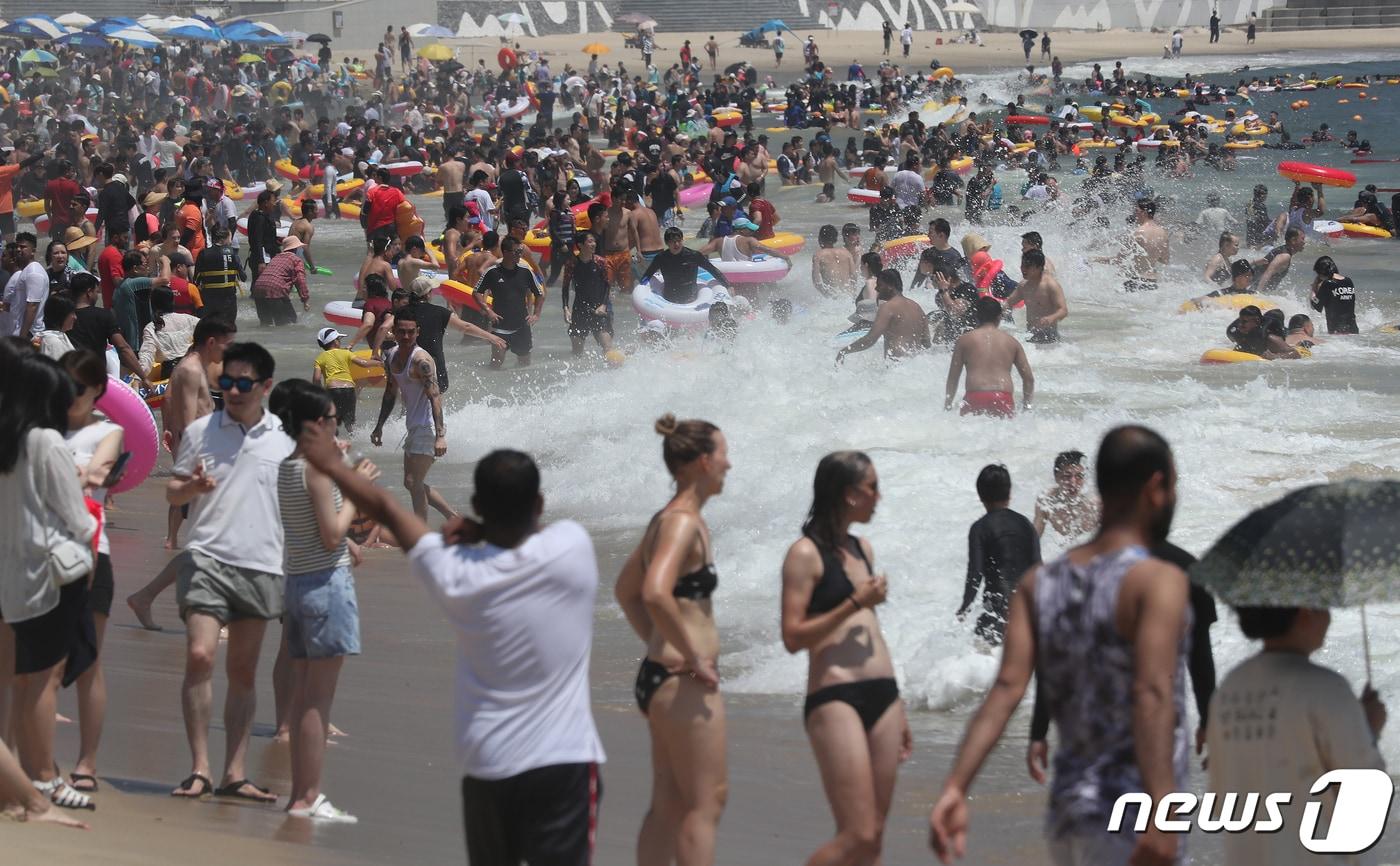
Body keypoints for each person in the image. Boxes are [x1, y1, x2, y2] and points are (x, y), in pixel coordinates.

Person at [295, 428, 606, 864]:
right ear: (537, 504)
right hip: (564, 761)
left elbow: (385, 506)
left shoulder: (455, 574)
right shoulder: (573, 549)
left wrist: (329, 465)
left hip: (487, 762)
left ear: (478, 505)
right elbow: (536, 534)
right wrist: (480, 529)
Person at [930, 426, 1191, 866]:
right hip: (1136, 802)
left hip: (1070, 806)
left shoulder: (1041, 583)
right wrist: (1162, 812)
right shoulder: (1156, 581)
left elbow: (1007, 688)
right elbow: (1152, 693)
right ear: (1155, 487)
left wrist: (956, 786)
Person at [167, 341, 293, 803]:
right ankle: (199, 768)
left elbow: (297, 503)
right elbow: (173, 494)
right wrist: (192, 486)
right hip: (206, 558)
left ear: (265, 387)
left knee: (243, 671)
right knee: (201, 655)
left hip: (261, 565)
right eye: (226, 382)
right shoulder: (201, 431)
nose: (233, 391)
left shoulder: (284, 440)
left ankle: (234, 773)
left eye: (243, 384)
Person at [780, 451, 912, 866]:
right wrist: (855, 601)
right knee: (857, 834)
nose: (879, 496)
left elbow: (871, 627)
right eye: (872, 487)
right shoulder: (804, 554)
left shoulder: (862, 548)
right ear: (848, 494)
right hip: (835, 696)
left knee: (873, 842)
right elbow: (793, 636)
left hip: (884, 695)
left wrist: (899, 703)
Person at [615, 414, 730, 866]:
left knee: (669, 804)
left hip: (660, 676)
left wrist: (658, 645)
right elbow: (653, 592)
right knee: (707, 802)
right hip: (683, 681)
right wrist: (693, 655)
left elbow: (625, 591)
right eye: (723, 454)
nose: (729, 464)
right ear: (702, 462)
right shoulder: (682, 523)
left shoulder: (668, 519)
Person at [270, 379, 381, 824]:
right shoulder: (315, 471)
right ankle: (307, 797)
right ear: (316, 423)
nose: (338, 425)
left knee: (304, 699)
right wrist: (356, 492)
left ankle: (301, 794)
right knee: (317, 701)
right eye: (333, 419)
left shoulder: (288, 466)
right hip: (324, 583)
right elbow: (333, 533)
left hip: (298, 580)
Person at [1208, 604, 1386, 866]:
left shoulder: (1230, 689)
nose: (1329, 616)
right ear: (1305, 613)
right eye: (1324, 606)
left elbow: (1222, 792)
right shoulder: (1325, 688)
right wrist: (1369, 729)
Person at [0, 352, 99, 811]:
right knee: (42, 680)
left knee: (22, 679)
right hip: (55, 572)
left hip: (13, 573)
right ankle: (43, 777)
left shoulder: (9, 440)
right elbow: (77, 519)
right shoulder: (47, 442)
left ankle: (21, 775)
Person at [60, 350, 123, 795]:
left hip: (90, 555)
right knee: (34, 666)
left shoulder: (108, 431)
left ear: (98, 388)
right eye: (63, 385)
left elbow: (99, 472)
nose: (70, 395)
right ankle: (29, 760)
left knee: (88, 664)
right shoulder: (39, 428)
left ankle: (87, 762)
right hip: (38, 553)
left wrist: (73, 474)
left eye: (78, 387)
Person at [371, 307, 454, 521]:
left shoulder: (422, 361)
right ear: (394, 333)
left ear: (418, 332)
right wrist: (379, 426)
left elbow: (435, 396)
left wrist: (440, 435)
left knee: (413, 482)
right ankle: (452, 518)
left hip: (427, 427)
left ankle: (420, 535)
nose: (406, 336)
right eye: (402, 331)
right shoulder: (391, 356)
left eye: (411, 332)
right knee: (410, 482)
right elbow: (390, 392)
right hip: (413, 426)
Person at [958, 464, 1041, 645]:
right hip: (1027, 607)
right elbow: (1038, 568)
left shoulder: (980, 528)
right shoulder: (1026, 524)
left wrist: (965, 605)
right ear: (1009, 493)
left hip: (997, 609)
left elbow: (976, 573)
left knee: (984, 656)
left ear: (980, 495)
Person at [945, 297, 1035, 418]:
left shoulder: (964, 340)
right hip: (1003, 397)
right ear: (999, 317)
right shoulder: (1012, 342)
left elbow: (953, 377)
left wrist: (948, 405)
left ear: (977, 316)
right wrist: (1027, 406)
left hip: (974, 396)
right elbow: (1029, 379)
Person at [836, 269, 931, 361]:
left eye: (879, 285)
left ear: (890, 286)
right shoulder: (917, 307)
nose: (876, 289)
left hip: (895, 367)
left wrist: (844, 351)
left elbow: (871, 338)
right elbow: (926, 343)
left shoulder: (888, 307)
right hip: (914, 366)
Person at [477, 236, 543, 368]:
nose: (520, 255)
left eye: (521, 251)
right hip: (499, 325)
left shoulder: (525, 271)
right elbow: (476, 292)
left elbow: (539, 293)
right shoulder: (492, 272)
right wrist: (488, 311)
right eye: (517, 252)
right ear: (505, 252)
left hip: (522, 326)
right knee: (496, 363)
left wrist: (536, 314)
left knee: (524, 364)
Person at [638, 226, 736, 305]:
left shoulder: (693, 255)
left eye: (679, 241)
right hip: (669, 299)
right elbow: (648, 274)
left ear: (682, 240)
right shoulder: (661, 258)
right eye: (673, 241)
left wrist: (728, 285)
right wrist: (641, 288)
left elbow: (712, 270)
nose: (676, 244)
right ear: (667, 243)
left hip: (690, 299)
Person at [561, 233, 617, 356]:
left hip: (599, 309)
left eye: (594, 241)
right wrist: (565, 308)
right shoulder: (572, 263)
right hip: (580, 309)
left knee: (608, 348)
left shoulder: (600, 262)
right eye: (590, 242)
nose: (593, 244)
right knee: (577, 352)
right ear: (580, 245)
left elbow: (608, 285)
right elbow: (565, 287)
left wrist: (603, 305)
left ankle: (613, 372)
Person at [1003, 250, 1068, 344]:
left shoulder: (1051, 285)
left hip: (1050, 339)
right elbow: (1008, 303)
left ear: (1039, 267)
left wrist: (1051, 318)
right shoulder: (1024, 286)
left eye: (1027, 266)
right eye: (1022, 265)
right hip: (1030, 336)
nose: (1023, 269)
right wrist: (1006, 323)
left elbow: (1063, 311)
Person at [1033, 451, 1099, 540]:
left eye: (1079, 476)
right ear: (1056, 477)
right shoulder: (1046, 501)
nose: (1073, 483)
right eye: (1067, 476)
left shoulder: (1094, 504)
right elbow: (1033, 540)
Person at [138, 287, 199, 380]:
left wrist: (137, 378)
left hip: (171, 376)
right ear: (173, 302)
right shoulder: (190, 320)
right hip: (194, 369)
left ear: (152, 304)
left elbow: (147, 356)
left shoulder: (151, 327)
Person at [251, 236, 310, 326]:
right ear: (295, 249)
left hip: (258, 289)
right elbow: (300, 280)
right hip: (275, 290)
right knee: (288, 323)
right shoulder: (296, 260)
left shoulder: (276, 257)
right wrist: (305, 299)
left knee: (265, 324)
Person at [1309, 254, 1357, 335]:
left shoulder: (1327, 284)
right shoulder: (1349, 281)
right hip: (1353, 330)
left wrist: (1313, 289)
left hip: (1337, 332)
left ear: (1321, 272)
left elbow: (1315, 305)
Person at [1253, 226, 1305, 292]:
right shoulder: (1285, 256)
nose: (1304, 242)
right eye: (1302, 239)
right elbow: (1268, 272)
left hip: (1253, 286)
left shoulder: (1282, 250)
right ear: (1293, 240)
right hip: (1254, 289)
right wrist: (1257, 293)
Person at [812, 224, 858, 297]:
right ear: (835, 239)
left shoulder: (818, 255)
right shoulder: (846, 253)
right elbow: (854, 276)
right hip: (849, 296)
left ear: (820, 238)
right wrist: (853, 293)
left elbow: (816, 282)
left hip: (834, 298)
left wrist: (826, 295)